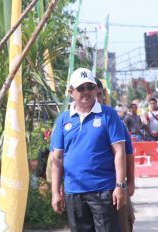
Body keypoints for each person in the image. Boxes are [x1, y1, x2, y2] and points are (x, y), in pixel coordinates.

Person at [51, 68, 127, 231]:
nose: (86, 92)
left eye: (90, 87)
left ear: (96, 90)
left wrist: (121, 186)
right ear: (71, 92)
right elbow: (56, 158)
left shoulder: (109, 115)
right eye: (81, 88)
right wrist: (55, 192)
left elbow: (120, 152)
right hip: (74, 193)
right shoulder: (63, 119)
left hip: (104, 191)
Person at [96, 78, 135, 232]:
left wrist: (130, 182)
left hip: (115, 185)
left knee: (122, 225)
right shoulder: (74, 120)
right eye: (95, 95)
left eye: (100, 95)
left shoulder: (114, 119)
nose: (97, 99)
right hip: (88, 189)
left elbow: (128, 153)